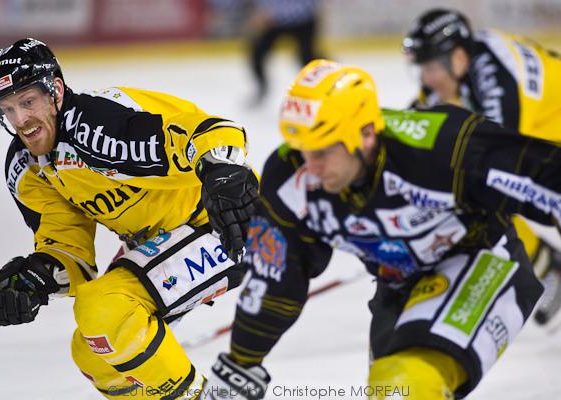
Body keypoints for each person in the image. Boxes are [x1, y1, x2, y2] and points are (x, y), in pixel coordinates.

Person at [204, 59, 561, 399]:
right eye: (303, 149)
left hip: (482, 263)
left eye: (323, 150)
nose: (311, 167)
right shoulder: (290, 176)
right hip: (399, 285)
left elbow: (545, 175)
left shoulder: (440, 146)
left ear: (366, 134)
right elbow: (277, 276)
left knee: (403, 384)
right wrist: (241, 363)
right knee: (388, 387)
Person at [0, 38, 259, 399]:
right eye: (8, 109)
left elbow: (209, 130)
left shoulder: (97, 126)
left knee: (104, 309)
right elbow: (69, 247)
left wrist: (223, 171)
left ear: (56, 91)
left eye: (28, 102)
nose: (20, 121)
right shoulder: (28, 168)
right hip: (167, 242)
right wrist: (33, 279)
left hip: (231, 224)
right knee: (92, 353)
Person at [402, 8, 561, 325]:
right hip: (547, 138)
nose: (426, 78)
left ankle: (549, 268)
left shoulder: (496, 79)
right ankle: (548, 266)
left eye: (431, 67)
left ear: (458, 58)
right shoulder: (467, 64)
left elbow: (498, 160)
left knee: (488, 193)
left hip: (549, 139)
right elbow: (418, 123)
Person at [246, 0, 321, 104]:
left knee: (307, 57)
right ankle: (261, 88)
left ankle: (327, 81)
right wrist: (260, 12)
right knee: (257, 54)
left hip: (303, 21)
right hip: (276, 22)